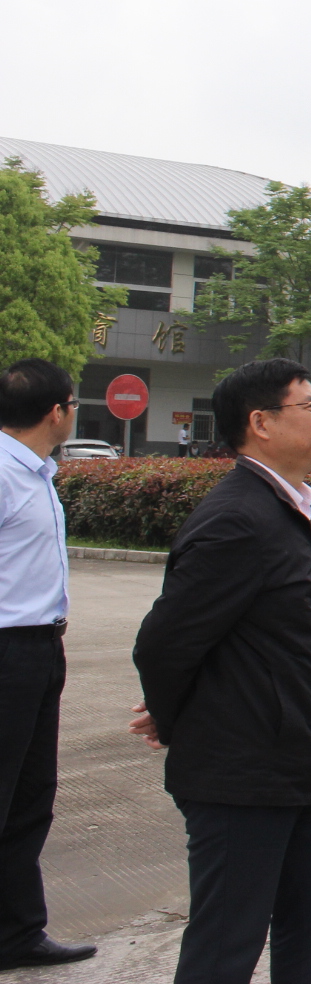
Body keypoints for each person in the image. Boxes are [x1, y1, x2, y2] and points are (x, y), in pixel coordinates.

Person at [130, 358, 311, 984]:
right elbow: (164, 644)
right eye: (309, 406)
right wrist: (178, 720)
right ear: (261, 422)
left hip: (298, 766)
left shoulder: (285, 508)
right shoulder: (237, 519)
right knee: (227, 945)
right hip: (242, 778)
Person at [0, 361, 95, 972]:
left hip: (39, 650)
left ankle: (17, 933)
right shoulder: (5, 474)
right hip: (7, 650)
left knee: (30, 798)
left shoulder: (35, 472)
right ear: (58, 410)